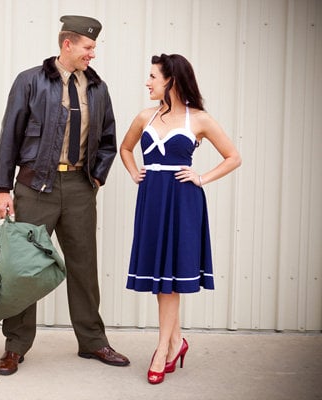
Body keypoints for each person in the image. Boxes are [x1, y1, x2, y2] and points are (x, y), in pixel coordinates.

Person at [0, 15, 129, 376]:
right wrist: (3, 189)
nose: (93, 54)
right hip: (35, 187)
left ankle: (93, 342)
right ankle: (15, 347)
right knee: (25, 270)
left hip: (79, 189)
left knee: (84, 267)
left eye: (94, 48)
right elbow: (10, 137)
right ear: (67, 44)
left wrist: (96, 179)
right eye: (88, 47)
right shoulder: (30, 81)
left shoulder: (97, 88)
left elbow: (108, 140)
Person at [119, 53, 241, 384]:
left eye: (153, 77)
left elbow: (233, 157)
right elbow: (126, 149)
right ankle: (176, 342)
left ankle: (162, 349)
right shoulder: (144, 116)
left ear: (171, 79)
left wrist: (202, 177)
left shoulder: (199, 119)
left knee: (170, 279)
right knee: (162, 278)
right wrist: (134, 174)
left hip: (183, 201)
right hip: (152, 201)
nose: (147, 82)